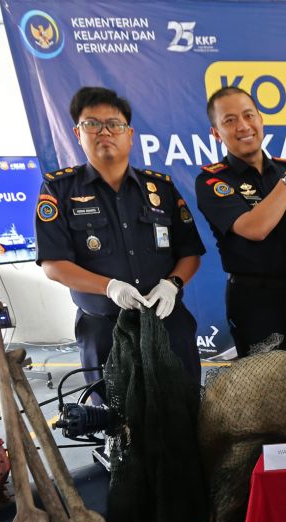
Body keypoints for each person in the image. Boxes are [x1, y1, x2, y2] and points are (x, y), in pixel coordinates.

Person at [35, 86, 205, 392]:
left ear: (129, 133)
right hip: (104, 329)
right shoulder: (59, 190)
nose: (104, 132)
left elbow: (190, 253)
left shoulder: (161, 189)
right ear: (77, 132)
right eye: (92, 124)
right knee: (113, 421)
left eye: (114, 124)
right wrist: (109, 287)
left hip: (166, 323)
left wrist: (172, 284)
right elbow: (54, 265)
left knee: (184, 409)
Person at [195, 86, 286, 357]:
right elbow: (255, 229)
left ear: (261, 119)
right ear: (216, 133)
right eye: (229, 120)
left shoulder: (285, 168)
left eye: (249, 115)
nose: (243, 126)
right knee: (266, 392)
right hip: (256, 303)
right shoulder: (213, 181)